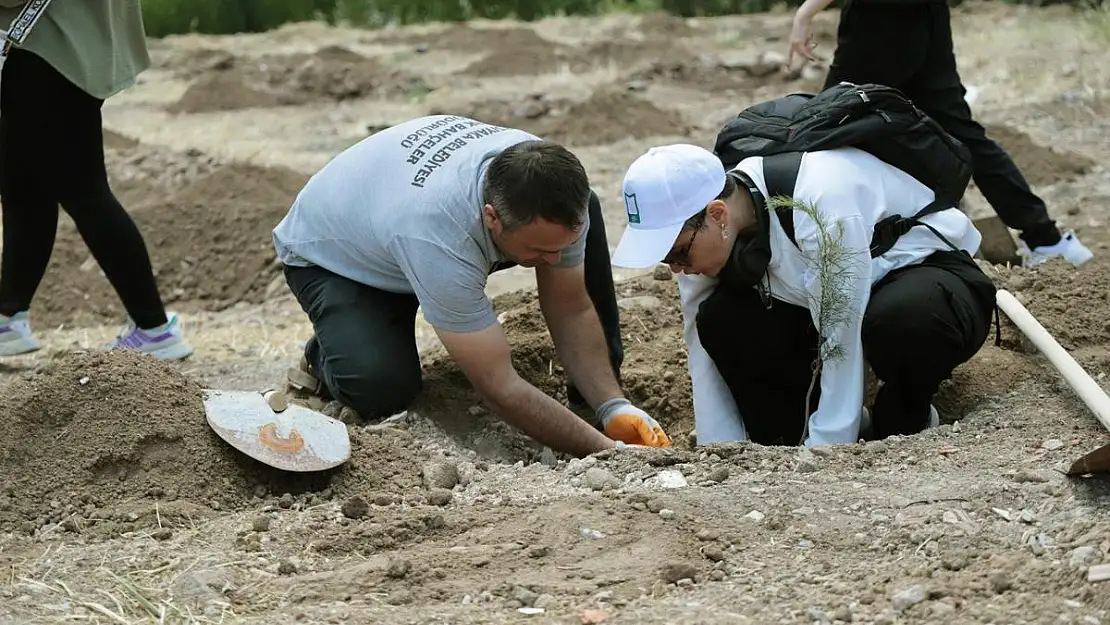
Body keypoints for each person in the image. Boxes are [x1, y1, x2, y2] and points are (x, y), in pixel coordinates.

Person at [271, 114, 671, 457]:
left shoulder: (548, 180)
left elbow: (571, 306)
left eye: (559, 249)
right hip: (338, 257)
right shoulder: (438, 235)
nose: (553, 262)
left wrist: (612, 407)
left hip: (397, 215)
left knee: (586, 214)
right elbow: (498, 387)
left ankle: (593, 398)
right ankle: (325, 355)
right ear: (492, 217)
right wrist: (608, 453)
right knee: (379, 386)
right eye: (538, 251)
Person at [610, 143, 997, 447]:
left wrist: (827, 449)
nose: (677, 267)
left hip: (924, 276)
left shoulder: (820, 204)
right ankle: (817, 425)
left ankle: (906, 414)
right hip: (819, 300)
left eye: (678, 253)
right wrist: (721, 447)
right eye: (665, 259)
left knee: (903, 321)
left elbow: (840, 335)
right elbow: (701, 343)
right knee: (721, 321)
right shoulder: (701, 238)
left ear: (718, 216)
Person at [785, 0, 1093, 268]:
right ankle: (1048, 240)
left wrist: (804, 14)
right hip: (927, 14)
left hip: (878, 20)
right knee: (960, 132)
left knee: (829, 126)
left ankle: (795, 243)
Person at [0, 0, 193, 360]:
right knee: (24, 187)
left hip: (47, 47)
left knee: (84, 192)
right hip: (64, 43)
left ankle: (154, 328)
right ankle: (9, 318)